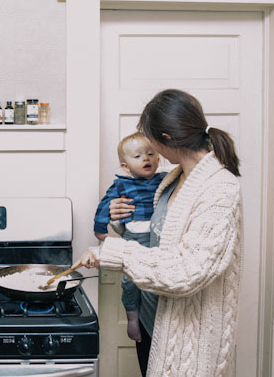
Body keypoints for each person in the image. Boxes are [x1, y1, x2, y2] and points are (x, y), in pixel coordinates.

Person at [79, 89, 243, 377]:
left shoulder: (220, 189)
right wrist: (119, 221)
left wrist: (111, 252)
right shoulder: (174, 178)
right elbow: (158, 238)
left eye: (151, 140)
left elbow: (187, 272)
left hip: (188, 336)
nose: (150, 148)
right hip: (151, 318)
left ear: (165, 139)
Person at [93, 132, 165, 343]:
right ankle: (133, 318)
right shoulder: (122, 184)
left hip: (158, 236)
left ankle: (154, 323)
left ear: (158, 158)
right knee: (131, 280)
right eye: (138, 156)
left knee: (155, 279)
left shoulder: (165, 179)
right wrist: (100, 229)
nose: (146, 159)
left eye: (150, 154)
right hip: (135, 234)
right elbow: (105, 205)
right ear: (125, 166)